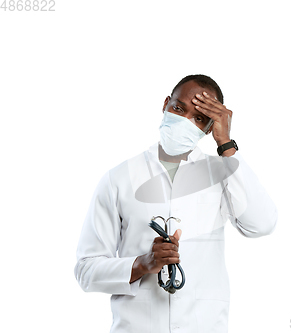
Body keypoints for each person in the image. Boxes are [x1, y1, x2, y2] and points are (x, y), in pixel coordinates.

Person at [74, 74, 278, 333]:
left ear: (208, 128)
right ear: (166, 104)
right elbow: (86, 270)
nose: (185, 121)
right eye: (179, 109)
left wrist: (226, 145)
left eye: (200, 118)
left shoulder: (222, 173)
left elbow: (262, 224)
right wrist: (141, 264)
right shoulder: (119, 178)